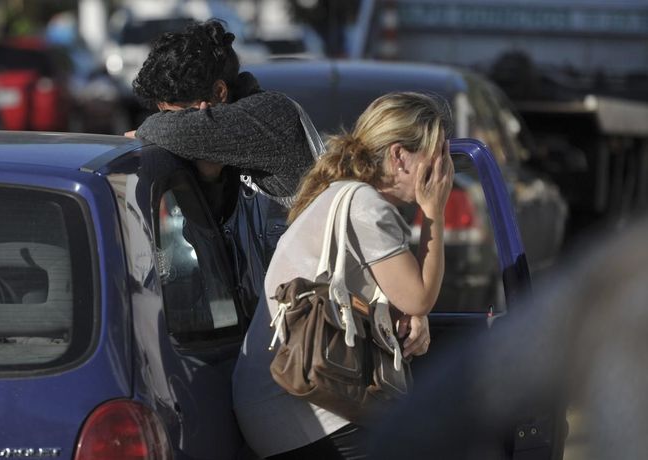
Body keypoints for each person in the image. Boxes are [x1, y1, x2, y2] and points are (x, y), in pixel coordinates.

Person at [233, 92, 455, 459]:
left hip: (290, 395)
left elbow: (402, 298)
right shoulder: (366, 207)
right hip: (299, 404)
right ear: (400, 156)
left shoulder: (344, 194)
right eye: (436, 158)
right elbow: (420, 296)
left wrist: (412, 313)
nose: (443, 173)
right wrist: (435, 212)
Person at [129, 20, 319, 314]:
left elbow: (166, 132)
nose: (172, 123)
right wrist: (210, 178)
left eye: (179, 116)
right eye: (163, 114)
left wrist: (152, 128)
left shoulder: (273, 116)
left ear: (219, 93)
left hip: (313, 331)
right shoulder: (226, 141)